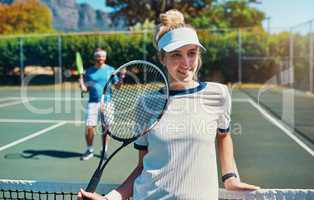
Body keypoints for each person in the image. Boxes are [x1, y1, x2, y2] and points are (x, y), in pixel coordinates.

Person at [78, 9, 260, 199]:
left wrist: (230, 178)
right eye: (175, 55)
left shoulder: (218, 94)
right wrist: (110, 198)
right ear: (162, 58)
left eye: (192, 53)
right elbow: (143, 167)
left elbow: (223, 136)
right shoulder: (145, 103)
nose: (186, 62)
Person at [79, 48, 120, 161]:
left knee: (106, 128)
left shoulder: (110, 70)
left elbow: (117, 86)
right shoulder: (89, 72)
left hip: (107, 102)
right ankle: (89, 149)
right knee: (89, 128)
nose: (100, 58)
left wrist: (121, 77)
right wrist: (82, 86)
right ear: (95, 57)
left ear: (105, 57)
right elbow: (86, 89)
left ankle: (104, 150)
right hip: (93, 103)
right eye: (98, 56)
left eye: (102, 56)